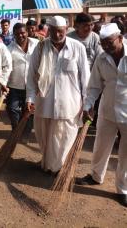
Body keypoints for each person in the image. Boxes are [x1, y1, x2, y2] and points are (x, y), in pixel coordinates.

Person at [26, 15, 90, 174]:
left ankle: (58, 168)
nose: (57, 35)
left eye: (60, 31)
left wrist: (87, 104)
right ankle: (47, 164)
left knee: (65, 138)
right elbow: (31, 75)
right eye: (53, 31)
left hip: (69, 105)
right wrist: (30, 98)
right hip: (44, 102)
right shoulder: (40, 48)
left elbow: (85, 78)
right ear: (48, 30)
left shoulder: (78, 48)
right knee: (44, 136)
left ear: (67, 30)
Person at [76, 23, 127, 207]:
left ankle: (123, 189)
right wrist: (88, 106)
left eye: (109, 42)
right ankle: (96, 176)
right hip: (107, 110)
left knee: (126, 153)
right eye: (103, 42)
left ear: (120, 38)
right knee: (100, 146)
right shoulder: (101, 58)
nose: (105, 46)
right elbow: (95, 86)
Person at [6, 23, 39, 143]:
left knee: (29, 110)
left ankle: (25, 134)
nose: (20, 35)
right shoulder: (9, 49)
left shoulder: (37, 45)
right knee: (12, 108)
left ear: (27, 32)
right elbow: (6, 68)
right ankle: (16, 129)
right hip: (15, 85)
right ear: (13, 35)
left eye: (22, 32)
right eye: (17, 33)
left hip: (33, 85)